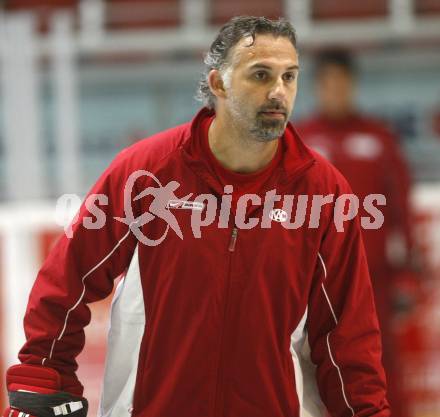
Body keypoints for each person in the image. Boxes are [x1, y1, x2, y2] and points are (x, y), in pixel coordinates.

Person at [3, 17, 390, 417]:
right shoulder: (147, 174)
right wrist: (43, 374)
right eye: (260, 75)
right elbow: (69, 277)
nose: (279, 91)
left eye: (289, 77)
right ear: (218, 84)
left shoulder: (323, 193)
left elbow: (347, 332)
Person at [295, 49, 413, 417]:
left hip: (371, 277)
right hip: (314, 280)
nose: (335, 91)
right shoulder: (300, 140)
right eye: (327, 84)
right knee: (313, 368)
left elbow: (401, 210)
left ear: (352, 85)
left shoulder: (379, 139)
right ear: (317, 88)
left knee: (378, 365)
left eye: (341, 83)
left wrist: (406, 274)